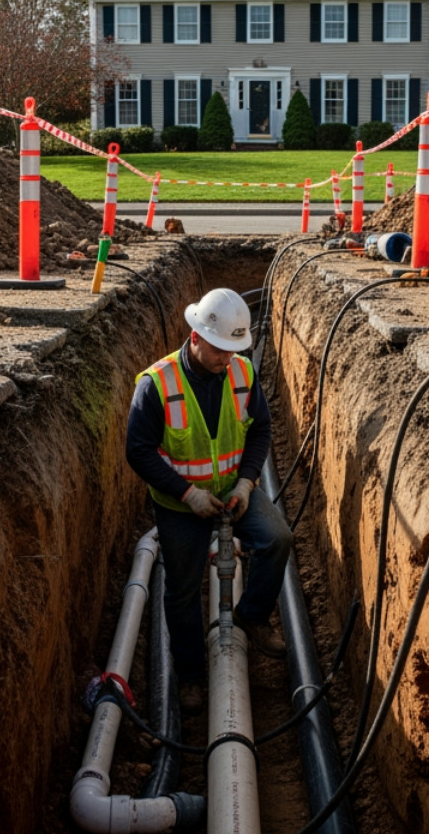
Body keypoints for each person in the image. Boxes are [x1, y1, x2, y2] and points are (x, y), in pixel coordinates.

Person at [124, 287, 294, 705]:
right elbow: (138, 451)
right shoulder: (157, 384)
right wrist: (187, 494)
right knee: (183, 589)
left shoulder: (242, 372)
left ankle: (251, 616)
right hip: (180, 504)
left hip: (232, 490)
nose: (227, 359)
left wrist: (246, 482)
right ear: (196, 337)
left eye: (234, 350)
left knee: (277, 539)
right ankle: (190, 675)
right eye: (220, 350)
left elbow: (261, 429)